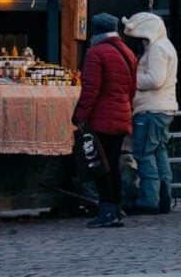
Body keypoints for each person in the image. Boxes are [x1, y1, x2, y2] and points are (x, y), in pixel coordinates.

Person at [73, 12, 137, 229]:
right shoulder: (127, 52)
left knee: (100, 165)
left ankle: (107, 210)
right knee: (114, 164)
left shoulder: (96, 53)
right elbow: (132, 89)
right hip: (121, 115)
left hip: (101, 117)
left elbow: (91, 89)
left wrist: (81, 115)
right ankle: (116, 208)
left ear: (96, 31)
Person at [121, 12, 178, 215]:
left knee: (144, 154)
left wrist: (131, 80)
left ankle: (149, 201)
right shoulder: (165, 46)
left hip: (151, 109)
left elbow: (155, 79)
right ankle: (163, 198)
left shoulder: (157, 48)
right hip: (163, 108)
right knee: (159, 153)